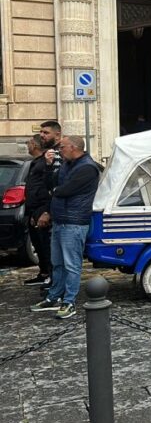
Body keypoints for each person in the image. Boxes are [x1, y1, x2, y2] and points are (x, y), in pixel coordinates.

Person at [31, 136, 101, 320]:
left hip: (74, 221)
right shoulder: (67, 164)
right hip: (60, 220)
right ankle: (53, 297)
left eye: (62, 147)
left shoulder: (87, 167)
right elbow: (51, 184)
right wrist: (48, 166)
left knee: (72, 264)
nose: (59, 151)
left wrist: (54, 191)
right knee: (57, 262)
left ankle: (69, 302)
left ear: (73, 147)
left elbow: (63, 190)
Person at [22, 135, 52, 288]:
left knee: (45, 245)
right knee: (38, 244)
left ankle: (50, 278)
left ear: (34, 145)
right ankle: (44, 273)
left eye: (28, 143)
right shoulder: (35, 163)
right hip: (33, 209)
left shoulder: (44, 163)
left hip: (41, 209)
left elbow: (47, 189)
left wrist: (44, 211)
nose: (27, 146)